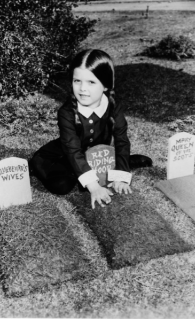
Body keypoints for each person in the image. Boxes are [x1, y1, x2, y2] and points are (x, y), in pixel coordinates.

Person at [29, 49, 152, 209]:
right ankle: (38, 166)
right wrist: (93, 186)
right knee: (62, 185)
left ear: (106, 85)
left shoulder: (113, 106)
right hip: (63, 156)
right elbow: (72, 150)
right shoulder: (67, 112)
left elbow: (121, 139)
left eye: (91, 82)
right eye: (77, 81)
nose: (82, 89)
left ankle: (121, 163)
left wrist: (121, 176)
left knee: (115, 161)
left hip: (98, 155)